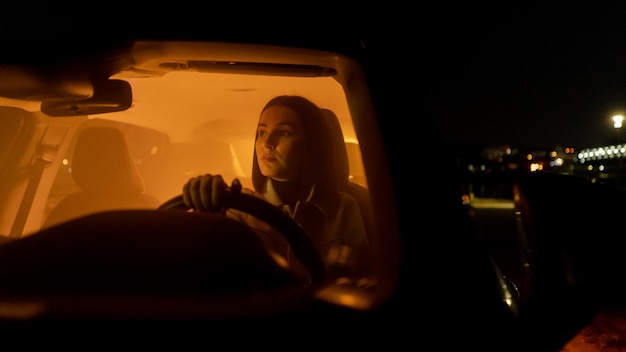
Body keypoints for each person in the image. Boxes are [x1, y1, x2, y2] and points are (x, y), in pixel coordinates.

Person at [182, 95, 371, 284]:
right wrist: (205, 201)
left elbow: (359, 278)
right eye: (262, 133)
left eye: (283, 133)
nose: (267, 143)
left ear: (312, 145)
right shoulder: (238, 208)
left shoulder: (343, 208)